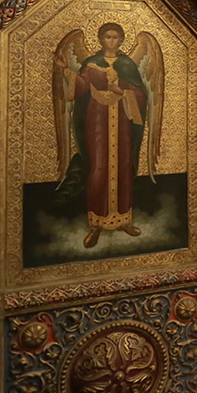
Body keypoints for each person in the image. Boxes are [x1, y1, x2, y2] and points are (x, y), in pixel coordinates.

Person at [55, 23, 147, 248]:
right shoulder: (91, 63)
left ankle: (123, 220)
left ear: (122, 40)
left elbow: (140, 94)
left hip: (123, 119)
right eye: (108, 37)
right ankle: (96, 223)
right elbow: (81, 88)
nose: (112, 41)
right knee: (99, 166)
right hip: (98, 118)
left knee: (123, 165)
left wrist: (123, 92)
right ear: (101, 39)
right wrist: (67, 70)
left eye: (116, 37)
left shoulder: (127, 64)